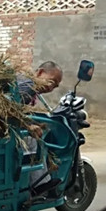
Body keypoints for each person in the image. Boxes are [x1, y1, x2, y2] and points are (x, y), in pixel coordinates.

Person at [17, 61, 64, 195]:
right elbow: (10, 112)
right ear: (40, 72)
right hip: (6, 129)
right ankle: (38, 185)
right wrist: (28, 126)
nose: (51, 88)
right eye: (51, 82)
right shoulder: (28, 87)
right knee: (33, 142)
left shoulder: (25, 82)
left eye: (55, 86)